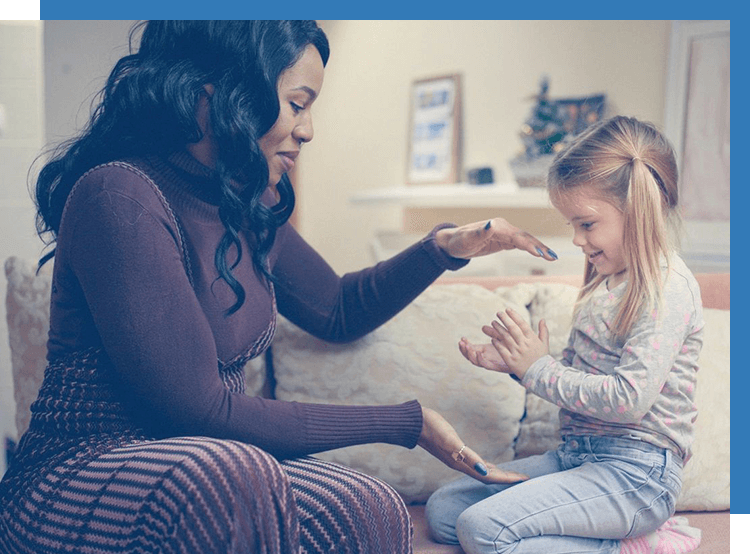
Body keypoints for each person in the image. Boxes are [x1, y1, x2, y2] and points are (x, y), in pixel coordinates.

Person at [0, 21, 555, 554]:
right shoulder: (118, 197)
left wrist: (442, 249)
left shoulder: (247, 200)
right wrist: (405, 422)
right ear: (216, 93)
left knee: (368, 505)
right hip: (78, 474)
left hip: (204, 469)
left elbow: (337, 309)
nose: (309, 129)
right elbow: (199, 412)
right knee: (235, 474)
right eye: (297, 103)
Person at [426, 116, 705, 554]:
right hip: (579, 456)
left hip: (636, 475)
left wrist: (539, 370)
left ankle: (631, 546)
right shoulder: (606, 280)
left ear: (639, 209)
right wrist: (520, 369)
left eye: (586, 224)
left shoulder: (667, 288)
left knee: (482, 529)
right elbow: (580, 381)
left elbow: (628, 399)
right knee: (444, 512)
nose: (576, 239)